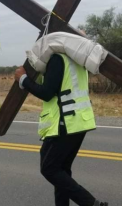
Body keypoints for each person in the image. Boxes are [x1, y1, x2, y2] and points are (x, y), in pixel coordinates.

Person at [15, 53, 108, 206]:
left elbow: (47, 92)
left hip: (66, 121)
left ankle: (93, 204)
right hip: (79, 121)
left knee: (49, 168)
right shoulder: (77, 58)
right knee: (61, 170)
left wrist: (23, 79)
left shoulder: (58, 58)